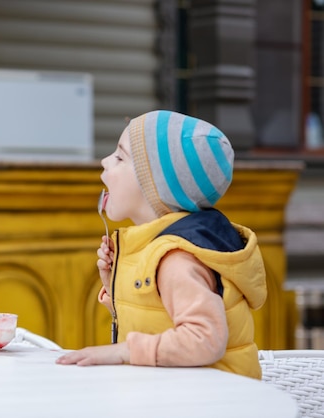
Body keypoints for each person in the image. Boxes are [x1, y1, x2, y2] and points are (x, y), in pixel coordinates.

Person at [56, 110, 267, 379]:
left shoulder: (176, 259)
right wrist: (114, 287)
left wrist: (123, 352)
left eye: (120, 157)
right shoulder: (158, 246)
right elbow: (158, 317)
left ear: (155, 187)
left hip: (213, 402)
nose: (105, 161)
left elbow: (205, 340)